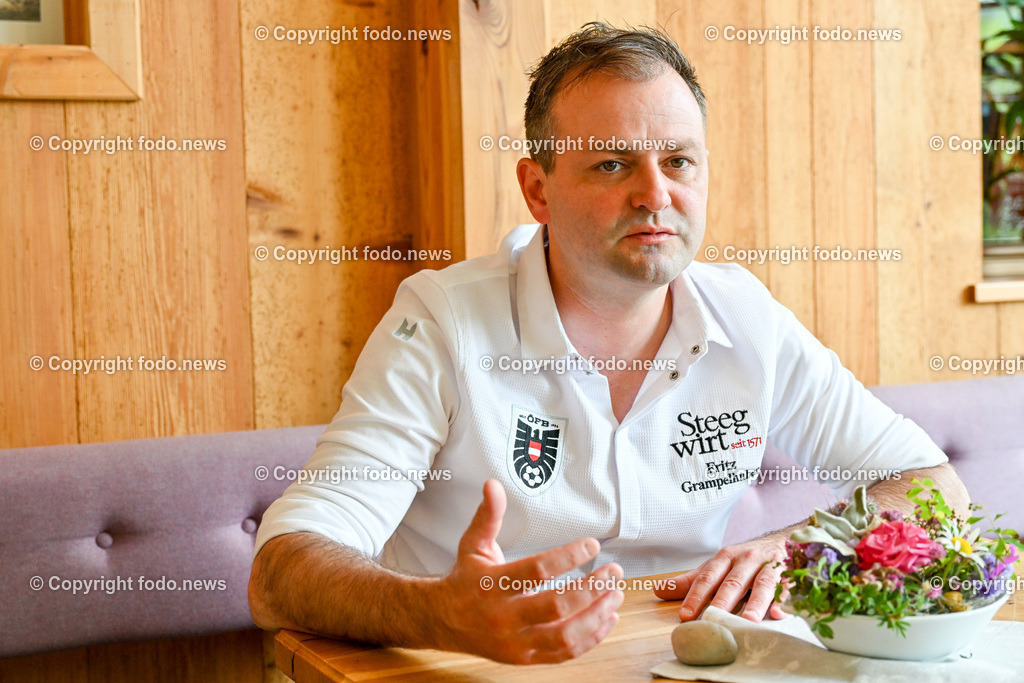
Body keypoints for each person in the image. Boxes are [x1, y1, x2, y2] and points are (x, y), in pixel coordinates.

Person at [248, 22, 969, 665]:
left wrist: (796, 545)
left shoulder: (748, 314)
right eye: (612, 164)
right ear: (538, 189)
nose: (656, 194)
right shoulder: (440, 321)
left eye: (679, 161)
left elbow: (934, 487)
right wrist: (439, 612)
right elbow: (280, 571)